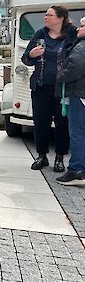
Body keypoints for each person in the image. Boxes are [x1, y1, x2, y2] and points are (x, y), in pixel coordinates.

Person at [22, 5, 76, 172]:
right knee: (40, 122)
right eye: (45, 15)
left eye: (49, 15)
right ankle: (41, 156)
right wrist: (32, 55)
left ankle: (59, 158)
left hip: (63, 88)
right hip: (41, 86)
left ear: (60, 18)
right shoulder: (40, 34)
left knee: (62, 123)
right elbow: (25, 58)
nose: (45, 17)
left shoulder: (72, 34)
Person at [56, 16, 85, 185]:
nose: (78, 29)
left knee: (77, 133)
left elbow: (74, 67)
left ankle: (76, 170)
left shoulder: (81, 47)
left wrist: (60, 76)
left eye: (82, 26)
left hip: (79, 95)